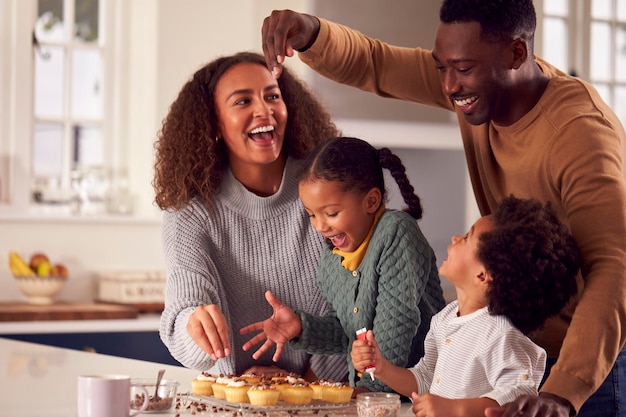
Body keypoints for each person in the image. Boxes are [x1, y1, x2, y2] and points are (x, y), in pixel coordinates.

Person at [260, 1, 626, 415]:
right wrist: (311, 33)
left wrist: (564, 392)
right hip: (510, 340)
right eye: (441, 68)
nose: (449, 86)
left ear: (516, 54)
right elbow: (377, 64)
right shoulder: (480, 81)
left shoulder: (579, 135)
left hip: (583, 361)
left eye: (463, 69)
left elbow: (612, 267)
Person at [153, 51, 348, 382]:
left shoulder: (329, 192)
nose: (264, 110)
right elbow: (183, 312)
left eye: (272, 96)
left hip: (326, 396)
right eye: (242, 102)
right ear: (213, 123)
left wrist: (301, 385)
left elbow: (355, 307)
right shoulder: (191, 213)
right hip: (235, 400)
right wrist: (195, 325)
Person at [240, 136, 446, 395]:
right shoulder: (332, 259)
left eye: (331, 213)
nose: (320, 226)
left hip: (422, 395)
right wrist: (301, 327)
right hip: (371, 397)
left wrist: (368, 394)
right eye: (312, 214)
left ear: (371, 201)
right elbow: (347, 333)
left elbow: (398, 325)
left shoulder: (397, 234)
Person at [352, 195, 581, 417]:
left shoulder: (501, 334)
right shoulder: (445, 319)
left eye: (465, 238)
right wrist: (382, 367)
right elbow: (424, 380)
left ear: (482, 275)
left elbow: (516, 395)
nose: (454, 238)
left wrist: (455, 410)